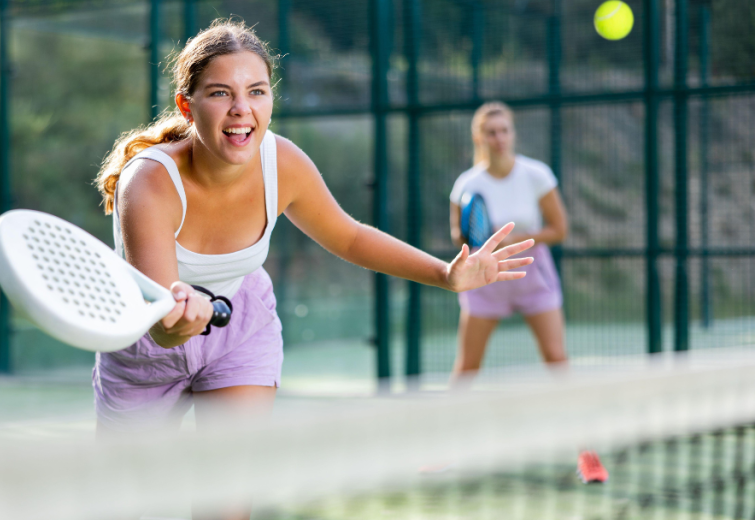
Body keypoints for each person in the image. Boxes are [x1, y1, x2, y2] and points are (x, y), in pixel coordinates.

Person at [93, 20, 535, 518]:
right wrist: (181, 322)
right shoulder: (149, 183)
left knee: (226, 501)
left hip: (241, 328)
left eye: (256, 91)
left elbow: (348, 235)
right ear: (186, 106)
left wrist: (445, 275)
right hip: (146, 347)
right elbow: (164, 326)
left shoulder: (282, 162)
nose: (241, 109)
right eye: (220, 93)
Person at [449, 101, 607, 484]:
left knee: (557, 360)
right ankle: (444, 451)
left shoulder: (537, 175)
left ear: (513, 134)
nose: (499, 138)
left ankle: (587, 455)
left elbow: (559, 229)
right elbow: (458, 236)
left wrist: (517, 238)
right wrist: (478, 242)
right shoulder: (466, 184)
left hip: (533, 274)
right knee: (467, 367)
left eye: (505, 130)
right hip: (485, 280)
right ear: (479, 138)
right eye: (491, 132)